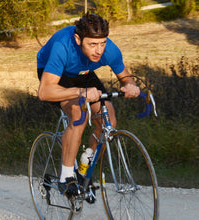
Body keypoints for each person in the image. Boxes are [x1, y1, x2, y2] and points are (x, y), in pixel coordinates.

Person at [37, 13, 140, 200]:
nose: (99, 50)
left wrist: (130, 85)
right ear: (78, 39)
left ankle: (85, 167)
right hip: (56, 76)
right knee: (78, 113)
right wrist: (80, 93)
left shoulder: (109, 50)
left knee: (108, 116)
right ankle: (66, 176)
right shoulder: (63, 47)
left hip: (84, 73)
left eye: (102, 43)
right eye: (92, 44)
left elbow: (125, 76)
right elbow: (44, 92)